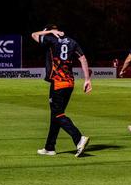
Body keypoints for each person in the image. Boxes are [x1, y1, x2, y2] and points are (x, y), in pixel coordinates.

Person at [31, 24, 91, 157]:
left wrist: (49, 32)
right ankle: (49, 147)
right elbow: (83, 59)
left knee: (58, 114)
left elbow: (34, 34)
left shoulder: (50, 39)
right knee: (56, 115)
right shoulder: (72, 42)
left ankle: (78, 138)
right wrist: (87, 79)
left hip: (58, 83)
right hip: (70, 83)